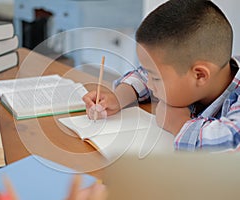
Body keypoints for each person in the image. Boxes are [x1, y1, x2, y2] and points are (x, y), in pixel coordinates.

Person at [83, 0, 240, 152]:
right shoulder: (199, 72)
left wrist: (178, 123)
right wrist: (118, 98)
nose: (150, 84)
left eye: (156, 79)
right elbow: (144, 75)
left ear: (200, 75)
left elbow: (231, 143)